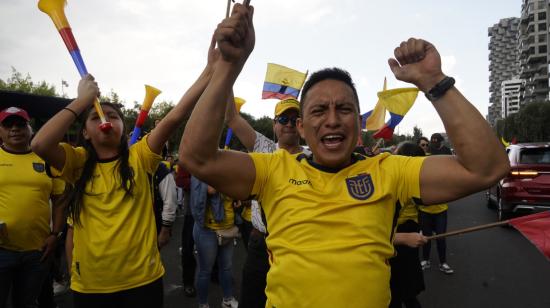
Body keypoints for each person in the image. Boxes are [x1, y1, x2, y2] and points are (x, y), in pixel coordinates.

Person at [179, 4, 509, 307]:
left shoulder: (389, 170)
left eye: (345, 109)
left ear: (358, 124)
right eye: (320, 110)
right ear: (303, 128)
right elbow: (197, 158)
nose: (333, 119)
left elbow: (487, 168)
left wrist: (434, 82)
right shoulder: (272, 169)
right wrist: (227, 66)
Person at [30, 34, 222, 307]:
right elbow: (39, 142)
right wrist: (82, 102)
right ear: (85, 131)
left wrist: (209, 71)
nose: (105, 120)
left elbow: (176, 115)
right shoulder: (77, 161)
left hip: (142, 282)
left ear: (123, 128)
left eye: (113, 117)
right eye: (96, 117)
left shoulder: (140, 156)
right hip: (91, 286)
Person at [225, 95, 309, 308]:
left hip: (299, 246)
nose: (289, 124)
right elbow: (231, 117)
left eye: (294, 119)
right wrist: (225, 68)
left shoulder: (313, 157)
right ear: (274, 125)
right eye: (283, 119)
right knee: (252, 300)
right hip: (261, 242)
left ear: (301, 125)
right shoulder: (264, 147)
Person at [0, 107, 66, 308]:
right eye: (8, 125)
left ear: (30, 129)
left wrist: (55, 234)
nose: (15, 129)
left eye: (20, 124)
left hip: (39, 250)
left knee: (27, 303)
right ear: (0, 130)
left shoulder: (47, 159)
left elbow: (60, 199)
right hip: (1, 249)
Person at [190, 176, 239, 308]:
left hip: (228, 227)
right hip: (207, 229)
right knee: (205, 270)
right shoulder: (203, 170)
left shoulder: (230, 171)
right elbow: (209, 190)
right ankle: (203, 303)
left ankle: (227, 299)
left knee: (227, 268)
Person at [390, 142, 428, 308]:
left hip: (402, 232)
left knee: (396, 291)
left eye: (396, 153)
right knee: (407, 292)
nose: (391, 156)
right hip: (408, 231)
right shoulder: (419, 181)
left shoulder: (400, 180)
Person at [418, 132, 455, 274]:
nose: (428, 146)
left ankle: (443, 263)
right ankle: (425, 260)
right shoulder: (420, 160)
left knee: (440, 237)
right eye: (425, 145)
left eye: (429, 144)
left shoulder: (445, 155)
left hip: (440, 208)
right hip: (424, 208)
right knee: (425, 237)